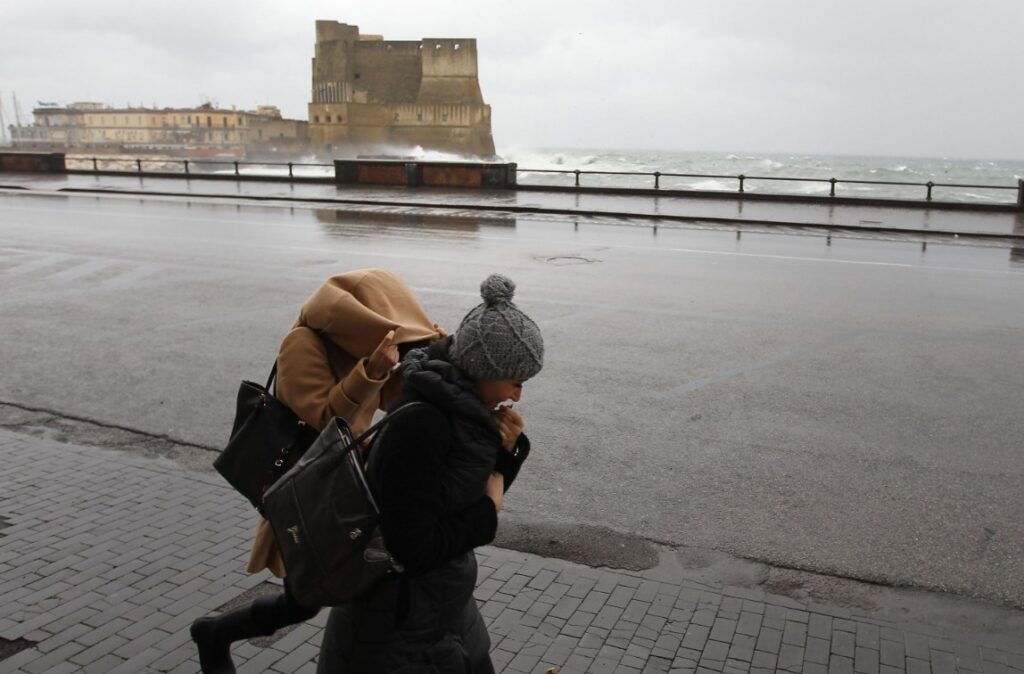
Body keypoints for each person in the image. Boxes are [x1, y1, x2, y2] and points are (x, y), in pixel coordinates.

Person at [191, 268, 444, 674]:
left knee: (315, 596)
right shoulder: (302, 343)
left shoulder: (365, 343)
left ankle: (215, 632)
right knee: (308, 598)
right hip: (310, 488)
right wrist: (369, 373)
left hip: (352, 483)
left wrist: (433, 353)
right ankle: (215, 632)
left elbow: (397, 399)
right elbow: (325, 422)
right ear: (361, 320)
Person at [316, 273, 544, 673]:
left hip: (442, 613)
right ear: (484, 370)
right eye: (515, 382)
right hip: (396, 631)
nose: (517, 395)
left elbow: (461, 491)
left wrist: (507, 454)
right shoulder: (423, 426)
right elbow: (413, 547)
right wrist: (487, 513)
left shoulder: (460, 412)